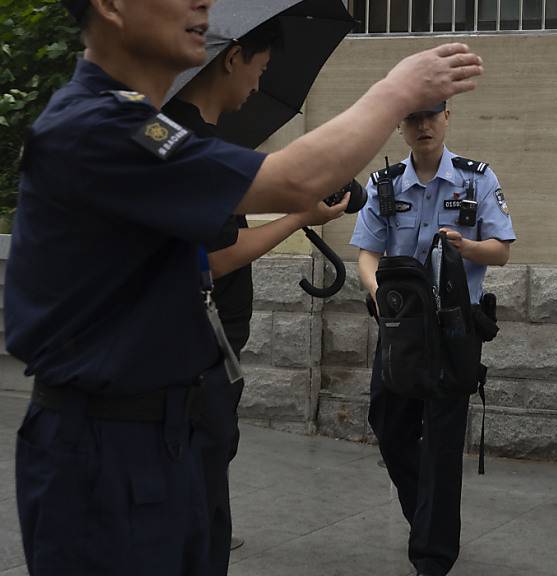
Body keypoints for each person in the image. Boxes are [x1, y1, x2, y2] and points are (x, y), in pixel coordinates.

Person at [6, 0, 482, 573]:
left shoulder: (141, 121)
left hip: (157, 435)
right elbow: (293, 179)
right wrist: (397, 91)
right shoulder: (95, 126)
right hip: (104, 449)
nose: (202, 4)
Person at [162, 17, 350, 573]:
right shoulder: (188, 143)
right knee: (199, 496)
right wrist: (299, 217)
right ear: (232, 57)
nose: (256, 85)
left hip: (201, 349)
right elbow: (213, 261)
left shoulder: (183, 136)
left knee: (203, 483)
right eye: (259, 70)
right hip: (195, 354)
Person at [351, 101, 515, 576]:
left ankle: (432, 557)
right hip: (401, 330)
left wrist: (467, 247)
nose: (422, 126)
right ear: (400, 125)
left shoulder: (476, 180)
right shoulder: (383, 186)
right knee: (389, 424)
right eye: (412, 118)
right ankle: (428, 516)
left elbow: (501, 251)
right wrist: (379, 292)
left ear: (448, 117)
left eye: (431, 116)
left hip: (454, 331)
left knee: (442, 443)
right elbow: (366, 254)